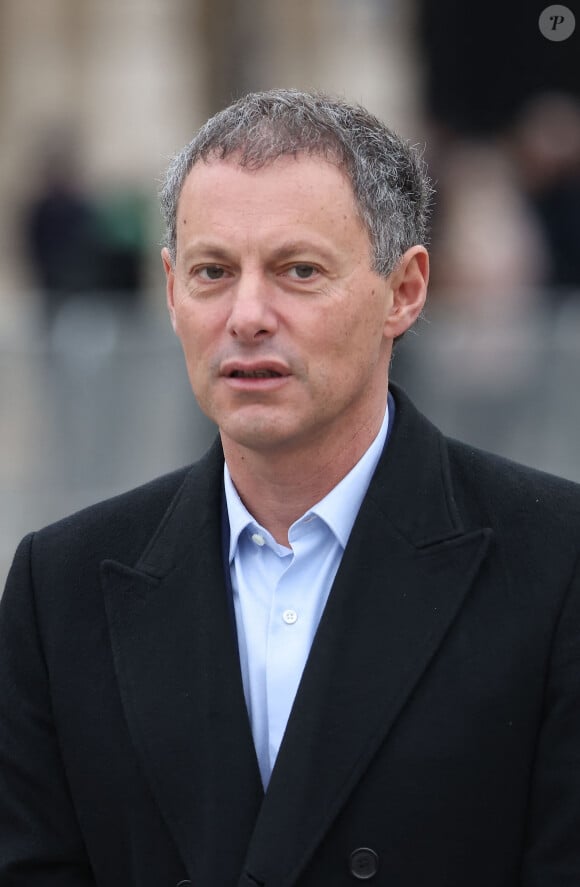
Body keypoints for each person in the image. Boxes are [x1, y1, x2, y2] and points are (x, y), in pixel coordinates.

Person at [1, 89, 579, 887]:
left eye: (297, 270)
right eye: (212, 271)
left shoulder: (555, 564)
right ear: (170, 291)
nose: (246, 315)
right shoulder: (54, 587)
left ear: (405, 291)